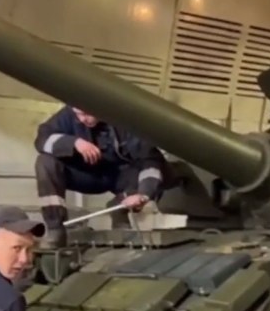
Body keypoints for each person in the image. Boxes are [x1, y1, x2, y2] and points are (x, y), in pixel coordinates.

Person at [33, 105, 173, 247]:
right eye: (78, 114)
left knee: (163, 173)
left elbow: (150, 160)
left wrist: (144, 195)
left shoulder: (125, 120)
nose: (82, 120)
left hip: (120, 176)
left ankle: (120, 209)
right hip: (86, 175)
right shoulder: (69, 114)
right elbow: (42, 140)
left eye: (87, 113)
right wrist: (74, 142)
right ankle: (55, 229)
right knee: (45, 162)